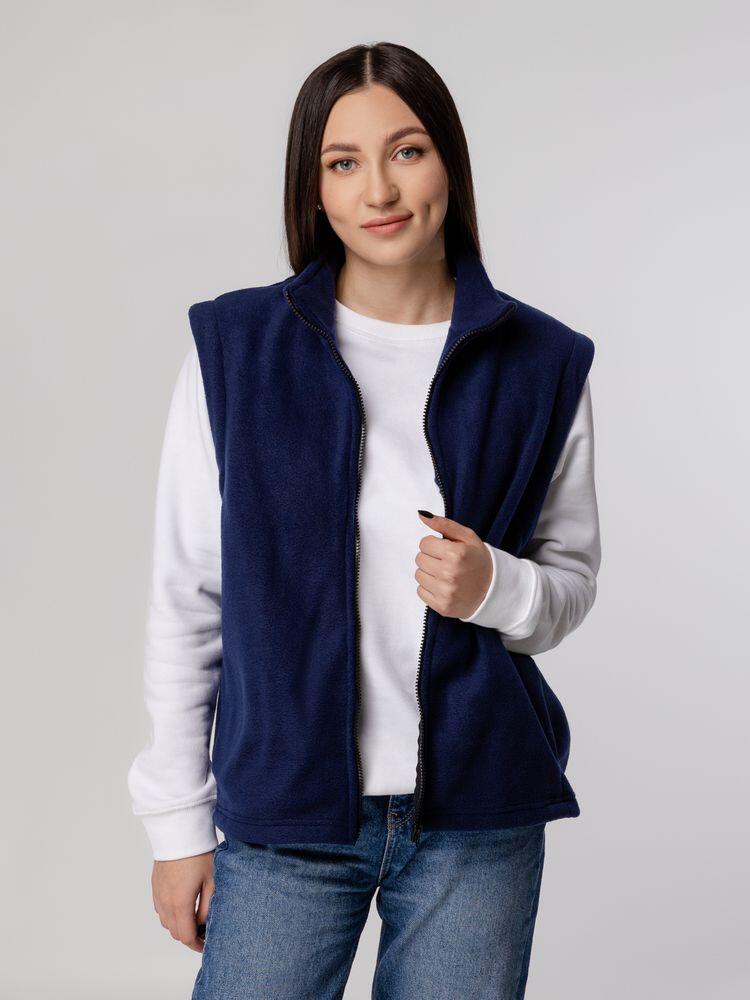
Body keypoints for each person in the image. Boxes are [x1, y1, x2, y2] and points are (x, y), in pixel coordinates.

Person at [127, 41, 600, 999]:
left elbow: (569, 584)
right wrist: (176, 826)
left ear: (450, 164)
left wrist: (496, 586)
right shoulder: (237, 350)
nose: (378, 189)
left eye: (406, 151)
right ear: (314, 189)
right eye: (342, 162)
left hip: (477, 817)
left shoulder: (544, 361)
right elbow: (189, 595)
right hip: (286, 816)